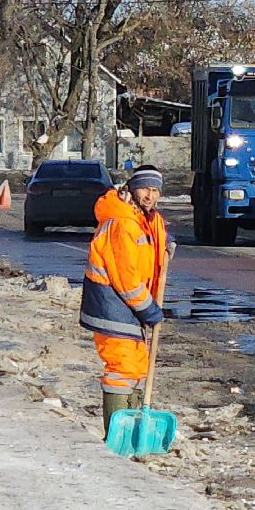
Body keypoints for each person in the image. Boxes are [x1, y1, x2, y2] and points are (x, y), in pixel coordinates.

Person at [80, 165, 171, 438]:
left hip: (124, 306)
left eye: (155, 191)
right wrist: (149, 310)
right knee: (122, 367)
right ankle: (116, 433)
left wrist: (164, 241)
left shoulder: (140, 218)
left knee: (135, 365)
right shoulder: (122, 223)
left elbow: (151, 236)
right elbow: (127, 278)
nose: (150, 196)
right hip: (112, 304)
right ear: (133, 188)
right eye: (145, 189)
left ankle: (130, 427)